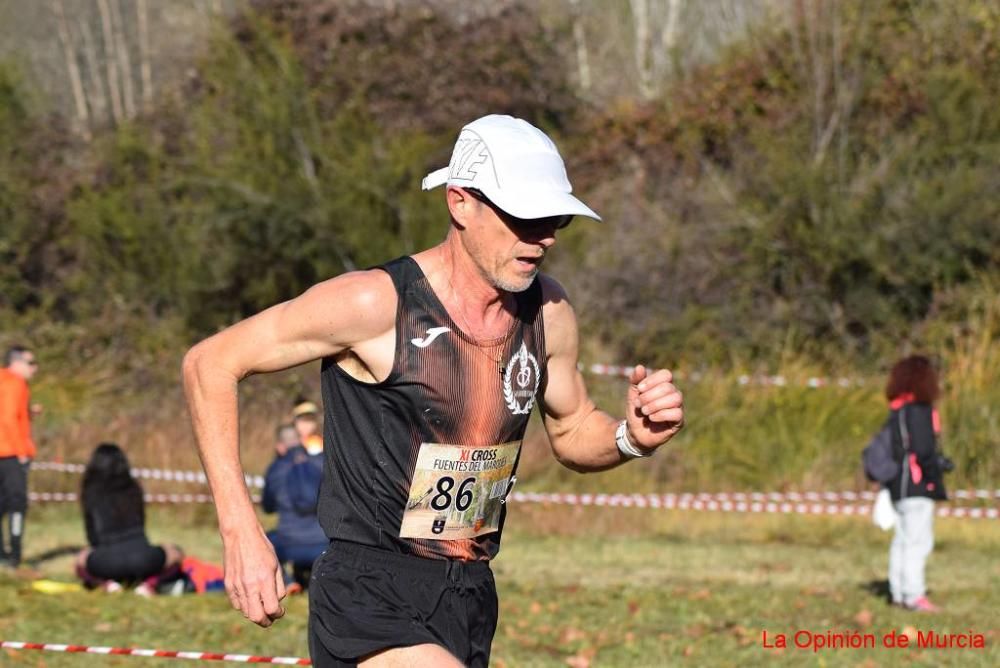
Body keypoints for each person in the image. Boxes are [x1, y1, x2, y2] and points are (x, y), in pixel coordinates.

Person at [183, 114, 684, 667]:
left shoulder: (549, 312)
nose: (543, 237)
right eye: (525, 217)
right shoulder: (376, 304)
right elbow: (209, 364)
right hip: (368, 590)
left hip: (469, 592)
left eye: (556, 219)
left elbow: (571, 428)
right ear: (460, 203)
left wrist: (631, 436)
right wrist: (241, 531)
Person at [74, 442, 184, 595]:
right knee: (176, 553)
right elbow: (141, 524)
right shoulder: (134, 487)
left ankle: (107, 584)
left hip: (106, 562)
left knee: (80, 560)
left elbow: (92, 536)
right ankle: (149, 584)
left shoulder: (90, 491)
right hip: (143, 558)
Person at [882, 355, 947, 612]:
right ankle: (914, 594)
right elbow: (923, 450)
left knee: (902, 539)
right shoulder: (920, 412)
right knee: (918, 542)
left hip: (897, 485)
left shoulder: (895, 412)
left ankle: (898, 591)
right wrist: (935, 479)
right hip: (917, 485)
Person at [261, 423, 326, 592]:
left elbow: (267, 507)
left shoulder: (276, 470)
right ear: (300, 441)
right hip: (325, 542)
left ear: (280, 446)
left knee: (264, 540)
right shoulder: (322, 462)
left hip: (289, 543)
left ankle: (287, 580)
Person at [0, 345, 38, 569]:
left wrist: (28, 413)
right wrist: (21, 452)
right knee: (17, 504)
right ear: (17, 363)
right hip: (10, 453)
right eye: (31, 363)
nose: (35, 368)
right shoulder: (16, 383)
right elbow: (7, 419)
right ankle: (15, 554)